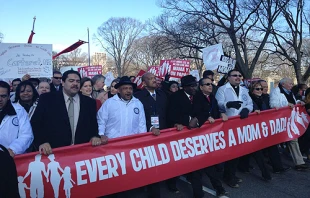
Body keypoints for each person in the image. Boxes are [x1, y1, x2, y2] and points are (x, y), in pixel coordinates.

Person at [31, 70, 102, 155]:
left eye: (78, 81)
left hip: (81, 153)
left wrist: (94, 136)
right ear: (63, 82)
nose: (75, 84)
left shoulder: (89, 102)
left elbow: (93, 125)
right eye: (71, 81)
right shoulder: (47, 99)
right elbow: (35, 123)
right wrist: (42, 142)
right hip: (54, 154)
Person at [97, 76, 146, 198]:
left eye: (130, 88)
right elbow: (101, 121)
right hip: (112, 146)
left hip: (131, 146)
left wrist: (142, 142)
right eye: (125, 88)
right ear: (118, 90)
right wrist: (101, 135)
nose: (128, 91)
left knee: (129, 173)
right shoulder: (109, 103)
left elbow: (142, 125)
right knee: (114, 174)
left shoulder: (138, 103)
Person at [168, 75, 210, 198]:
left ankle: (198, 193)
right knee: (180, 162)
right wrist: (185, 121)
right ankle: (171, 183)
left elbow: (205, 111)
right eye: (191, 86)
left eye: (195, 85)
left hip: (196, 135)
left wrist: (197, 120)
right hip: (180, 135)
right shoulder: (175, 97)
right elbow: (171, 114)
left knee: (196, 163)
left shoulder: (199, 95)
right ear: (184, 87)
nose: (194, 87)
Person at [190, 77, 228, 197]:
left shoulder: (212, 97)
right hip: (198, 135)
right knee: (198, 166)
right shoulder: (196, 98)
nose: (210, 86)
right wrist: (206, 117)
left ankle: (219, 188)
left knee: (208, 163)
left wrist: (221, 113)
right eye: (207, 84)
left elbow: (216, 110)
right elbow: (195, 112)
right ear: (201, 87)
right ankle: (199, 193)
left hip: (210, 135)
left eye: (211, 84)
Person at [215, 69, 253, 188]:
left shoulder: (244, 90)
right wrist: (228, 104)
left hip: (241, 124)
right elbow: (218, 104)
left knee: (238, 152)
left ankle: (231, 173)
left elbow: (250, 103)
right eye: (235, 75)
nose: (238, 77)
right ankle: (227, 176)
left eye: (239, 76)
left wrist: (247, 109)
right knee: (230, 152)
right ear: (228, 77)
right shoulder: (222, 89)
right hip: (228, 124)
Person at [134, 72, 167, 198]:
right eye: (151, 79)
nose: (154, 80)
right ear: (144, 83)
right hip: (147, 135)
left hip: (163, 133)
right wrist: (150, 127)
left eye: (155, 78)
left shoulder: (162, 95)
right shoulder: (138, 97)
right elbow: (138, 117)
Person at [270, 78, 308, 170]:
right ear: (283, 84)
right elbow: (273, 104)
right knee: (275, 142)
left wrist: (298, 102)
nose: (292, 85)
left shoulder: (289, 92)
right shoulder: (276, 92)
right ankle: (274, 161)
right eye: (290, 84)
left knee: (293, 139)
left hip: (289, 120)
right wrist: (287, 104)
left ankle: (299, 163)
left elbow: (293, 103)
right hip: (279, 121)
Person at [0, 81, 34, 156]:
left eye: (3, 96)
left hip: (12, 157)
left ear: (9, 96)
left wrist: (13, 149)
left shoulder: (19, 110)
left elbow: (26, 135)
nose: (0, 99)